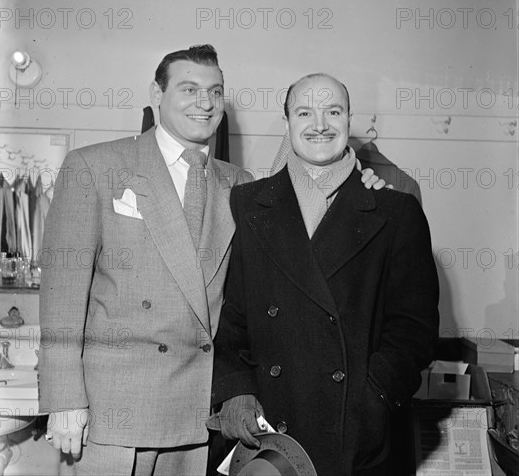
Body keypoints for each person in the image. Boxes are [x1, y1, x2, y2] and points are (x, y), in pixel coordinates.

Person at [38, 48, 384, 476]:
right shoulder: (94, 167)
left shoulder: (243, 187)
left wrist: (359, 182)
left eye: (215, 92)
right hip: (113, 414)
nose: (205, 102)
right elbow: (62, 296)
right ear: (156, 94)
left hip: (197, 417)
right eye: (189, 89)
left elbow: (309, 211)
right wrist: (65, 400)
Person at [210, 73, 440, 476]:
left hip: (354, 434)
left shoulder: (396, 211)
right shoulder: (247, 204)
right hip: (267, 428)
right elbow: (233, 315)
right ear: (287, 123)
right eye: (305, 112)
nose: (319, 125)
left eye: (332, 111)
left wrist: (373, 401)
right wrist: (236, 389)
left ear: (349, 121)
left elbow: (414, 332)